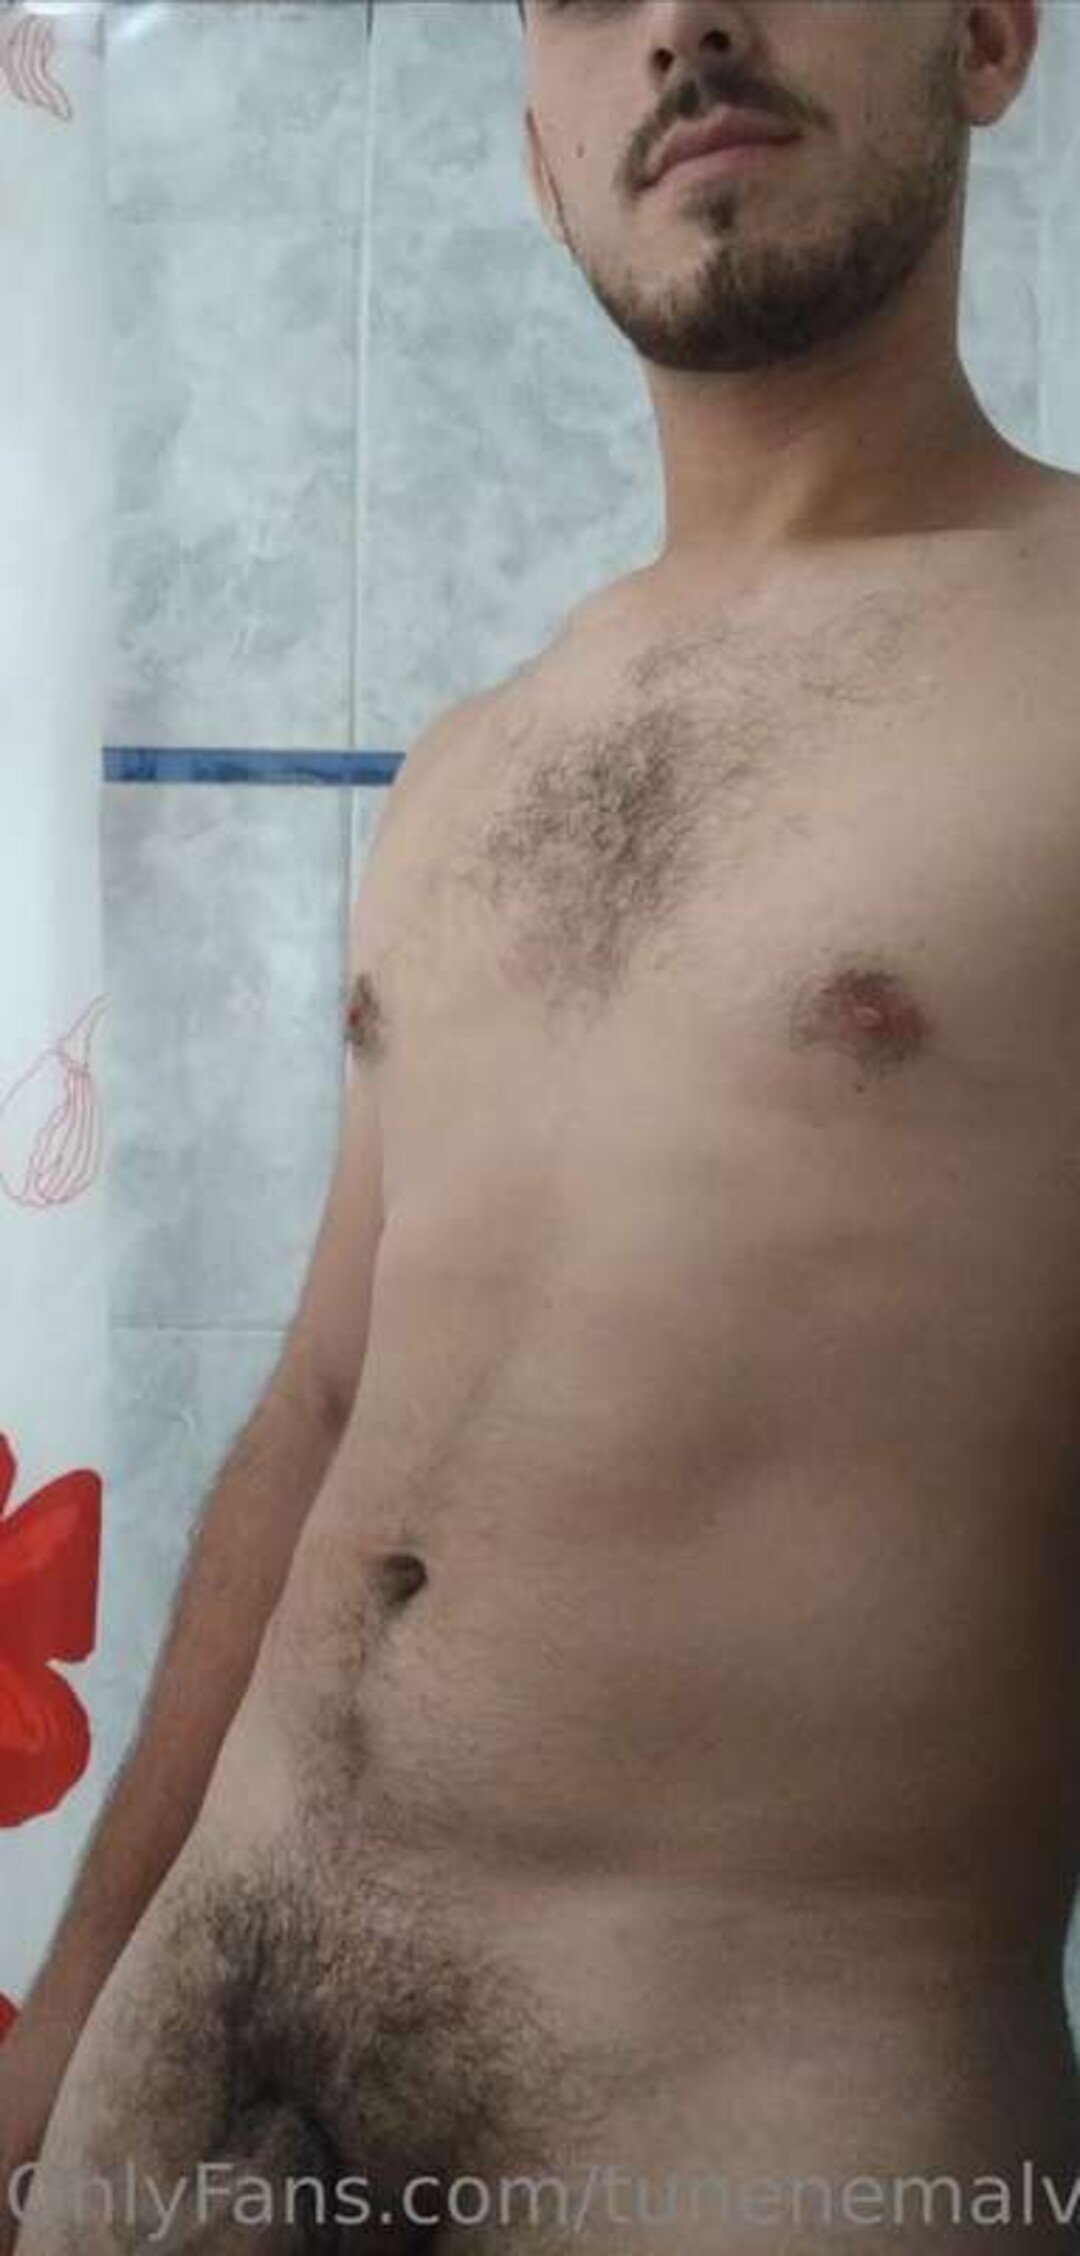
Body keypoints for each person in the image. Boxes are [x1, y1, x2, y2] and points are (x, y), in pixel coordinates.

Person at [6, 0, 1080, 2247]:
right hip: (177, 2123)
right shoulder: (470, 766)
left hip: (759, 2157)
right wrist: (65, 2019)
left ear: (988, 36)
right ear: (534, 152)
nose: (682, 24)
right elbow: (319, 1414)